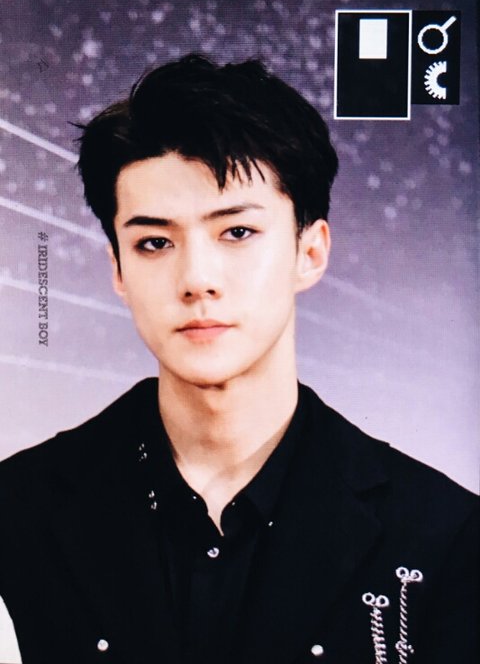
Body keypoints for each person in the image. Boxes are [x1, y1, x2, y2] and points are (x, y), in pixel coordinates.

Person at [0, 54, 477, 664]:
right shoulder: (17, 512)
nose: (197, 279)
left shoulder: (445, 536)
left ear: (310, 251)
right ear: (118, 269)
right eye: (154, 242)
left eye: (237, 232)